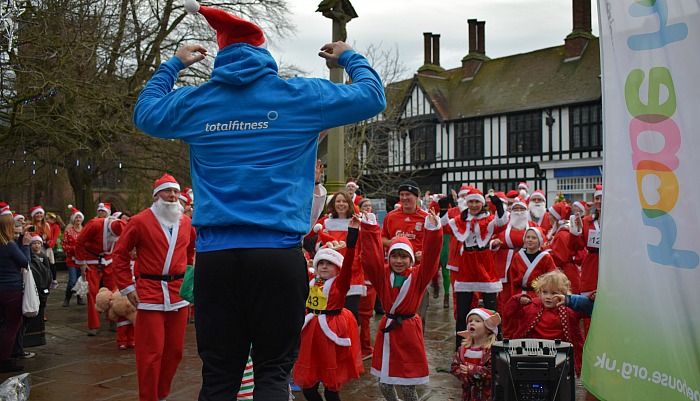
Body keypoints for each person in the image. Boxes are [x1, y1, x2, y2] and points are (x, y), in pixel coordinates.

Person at [132, 0, 385, 398]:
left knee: (218, 374)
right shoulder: (302, 95)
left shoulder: (196, 102)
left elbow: (145, 113)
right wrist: (350, 57)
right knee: (273, 370)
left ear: (222, 58)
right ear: (263, 56)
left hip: (216, 260)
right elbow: (373, 96)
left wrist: (173, 65)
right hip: (277, 257)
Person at [110, 174, 194, 401]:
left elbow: (191, 253)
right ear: (156, 195)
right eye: (168, 191)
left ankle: (162, 395)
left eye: (176, 192)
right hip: (149, 293)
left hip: (178, 294)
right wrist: (127, 287)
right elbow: (119, 254)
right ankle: (148, 397)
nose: (173, 196)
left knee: (174, 352)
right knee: (150, 353)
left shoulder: (186, 222)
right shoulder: (139, 221)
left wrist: (190, 282)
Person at [360, 209, 442, 401]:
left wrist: (433, 229)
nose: (398, 261)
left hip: (409, 332)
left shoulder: (418, 276)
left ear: (411, 259)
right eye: (394, 256)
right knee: (384, 383)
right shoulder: (382, 275)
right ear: (388, 258)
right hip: (388, 329)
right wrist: (370, 227)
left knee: (408, 385)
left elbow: (431, 256)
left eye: (403, 257)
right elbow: (370, 257)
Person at [293, 218, 363, 401]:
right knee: (308, 388)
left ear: (337, 268)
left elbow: (348, 264)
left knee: (332, 389)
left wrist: (352, 237)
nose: (324, 267)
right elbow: (297, 259)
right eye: (321, 263)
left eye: (329, 264)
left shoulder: (340, 283)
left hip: (331, 331)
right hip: (310, 332)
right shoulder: (310, 278)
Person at [448, 187, 507, 348]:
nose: (474, 205)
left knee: (491, 310)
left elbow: (501, 224)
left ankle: (496, 347)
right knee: (462, 312)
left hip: (484, 263)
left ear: (482, 203)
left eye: (477, 202)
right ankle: (460, 348)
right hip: (467, 263)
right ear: (467, 203)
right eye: (471, 202)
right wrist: (441, 208)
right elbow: (443, 225)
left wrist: (499, 206)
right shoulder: (462, 219)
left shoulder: (489, 219)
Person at [503, 270, 584, 375]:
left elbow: (587, 309)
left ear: (563, 294)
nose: (548, 297)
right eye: (544, 292)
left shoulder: (569, 310)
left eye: (554, 293)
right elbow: (509, 312)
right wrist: (518, 300)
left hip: (560, 356)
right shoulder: (532, 306)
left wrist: (591, 296)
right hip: (533, 354)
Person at [380, 180, 431, 332]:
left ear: (417, 197)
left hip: (416, 272)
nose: (404, 198)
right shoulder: (391, 216)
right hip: (395, 270)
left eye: (408, 195)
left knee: (417, 310)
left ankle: (416, 338)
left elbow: (434, 242)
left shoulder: (425, 218)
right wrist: (390, 242)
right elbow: (382, 238)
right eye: (401, 195)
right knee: (394, 308)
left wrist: (425, 254)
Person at [489, 197, 536, 337]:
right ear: (511, 210)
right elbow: (490, 239)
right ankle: (507, 332)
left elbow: (542, 241)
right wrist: (494, 242)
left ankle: (525, 329)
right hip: (506, 267)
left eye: (522, 209)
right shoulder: (504, 226)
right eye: (516, 209)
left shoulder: (532, 225)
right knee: (506, 299)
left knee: (525, 298)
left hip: (526, 266)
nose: (519, 212)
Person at [75, 214, 127, 336]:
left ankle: (113, 319)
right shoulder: (94, 225)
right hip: (91, 260)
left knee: (114, 291)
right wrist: (82, 263)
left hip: (109, 260)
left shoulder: (122, 227)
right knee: (92, 292)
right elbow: (79, 242)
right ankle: (94, 325)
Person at [0, 212, 32, 372]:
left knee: (3, 324)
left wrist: (20, 240)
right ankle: (5, 360)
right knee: (12, 325)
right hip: (11, 290)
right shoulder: (8, 245)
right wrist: (26, 245)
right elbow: (24, 262)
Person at [450, 308, 501, 401]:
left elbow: (492, 371)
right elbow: (454, 367)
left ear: (489, 329)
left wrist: (471, 369)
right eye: (470, 321)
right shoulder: (463, 349)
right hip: (467, 394)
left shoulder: (491, 351)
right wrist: (463, 373)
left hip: (486, 396)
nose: (472, 323)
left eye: (477, 321)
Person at [507, 227, 556, 298]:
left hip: (539, 295)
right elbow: (512, 279)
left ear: (539, 240)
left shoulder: (545, 257)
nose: (530, 240)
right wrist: (516, 297)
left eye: (534, 238)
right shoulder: (518, 256)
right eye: (528, 237)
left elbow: (553, 278)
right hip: (521, 295)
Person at [545, 201, 581, 294]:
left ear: (556, 218)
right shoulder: (562, 232)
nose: (548, 217)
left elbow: (560, 258)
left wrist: (546, 250)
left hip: (566, 273)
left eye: (550, 215)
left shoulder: (561, 234)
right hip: (567, 271)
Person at [61, 207, 86, 306]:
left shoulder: (85, 230)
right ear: (73, 219)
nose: (78, 220)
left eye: (80, 218)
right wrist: (73, 248)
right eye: (76, 218)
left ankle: (79, 298)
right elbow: (64, 245)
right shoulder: (69, 231)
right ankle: (67, 298)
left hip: (83, 260)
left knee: (81, 280)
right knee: (72, 281)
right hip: (71, 260)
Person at [45, 212, 65, 289]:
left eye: (48, 219)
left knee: (51, 263)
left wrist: (51, 245)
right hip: (47, 245)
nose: (46, 220)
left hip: (52, 247)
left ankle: (54, 279)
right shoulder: (47, 225)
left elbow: (55, 237)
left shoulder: (55, 226)